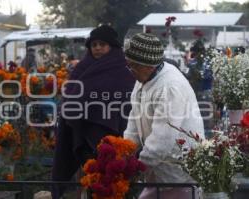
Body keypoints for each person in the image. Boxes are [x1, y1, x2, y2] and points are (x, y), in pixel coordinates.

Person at [51, 25, 135, 199]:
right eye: (94, 44)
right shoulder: (82, 67)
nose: (97, 48)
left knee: (114, 183)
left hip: (114, 135)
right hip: (83, 133)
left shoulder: (123, 69)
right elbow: (72, 93)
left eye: (102, 44)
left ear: (112, 46)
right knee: (93, 181)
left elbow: (126, 101)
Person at [123, 33, 205, 199]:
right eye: (129, 66)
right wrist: (124, 151)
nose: (130, 71)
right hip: (158, 171)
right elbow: (134, 118)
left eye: (133, 67)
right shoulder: (143, 78)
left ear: (149, 66)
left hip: (177, 174)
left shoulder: (170, 86)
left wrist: (135, 167)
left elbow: (163, 139)